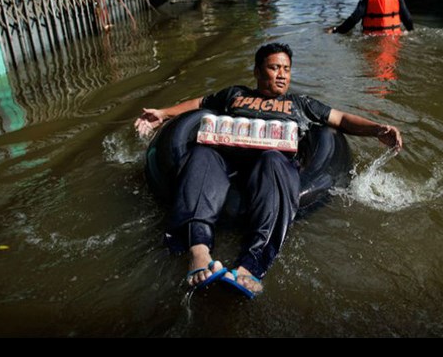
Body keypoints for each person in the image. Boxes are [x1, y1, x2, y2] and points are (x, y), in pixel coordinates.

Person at [134, 43, 402, 298]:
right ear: (257, 71)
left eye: (286, 69)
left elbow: (341, 119)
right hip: (226, 160)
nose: (282, 75)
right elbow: (200, 104)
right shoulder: (235, 95)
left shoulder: (302, 104)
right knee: (202, 153)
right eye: (274, 68)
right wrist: (164, 113)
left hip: (271, 165)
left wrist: (377, 129)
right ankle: (198, 252)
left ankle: (250, 264)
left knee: (273, 160)